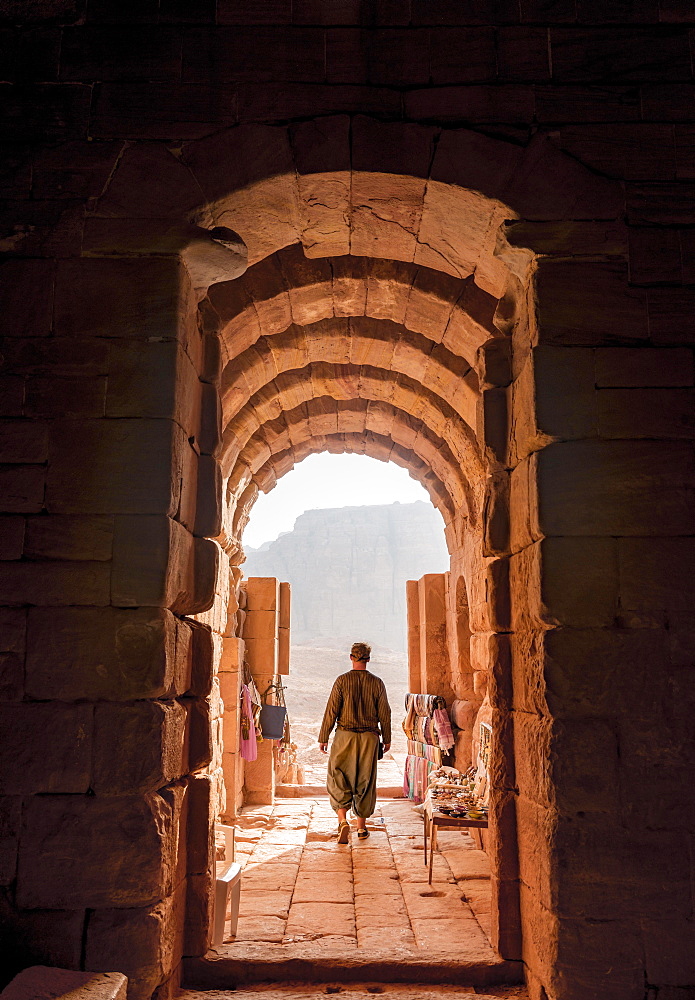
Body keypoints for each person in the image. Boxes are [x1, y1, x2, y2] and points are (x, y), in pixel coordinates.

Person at [318, 641, 392, 843]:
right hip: (369, 738)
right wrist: (387, 738)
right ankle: (361, 828)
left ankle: (342, 820)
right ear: (368, 659)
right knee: (365, 780)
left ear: (351, 657)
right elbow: (385, 713)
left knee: (338, 775)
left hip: (344, 736)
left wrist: (323, 737)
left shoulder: (342, 681)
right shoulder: (377, 683)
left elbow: (331, 710)